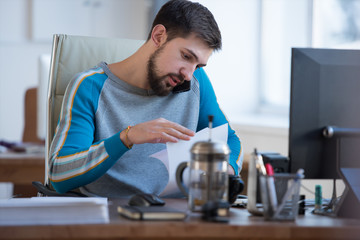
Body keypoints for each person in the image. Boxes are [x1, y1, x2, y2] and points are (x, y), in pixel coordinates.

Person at [48, 0, 243, 198]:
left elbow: (229, 140)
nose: (188, 74)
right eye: (185, 56)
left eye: (198, 66)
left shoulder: (195, 82)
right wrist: (127, 137)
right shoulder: (89, 86)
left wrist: (226, 170)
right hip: (112, 217)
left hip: (179, 218)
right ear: (159, 36)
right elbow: (60, 175)